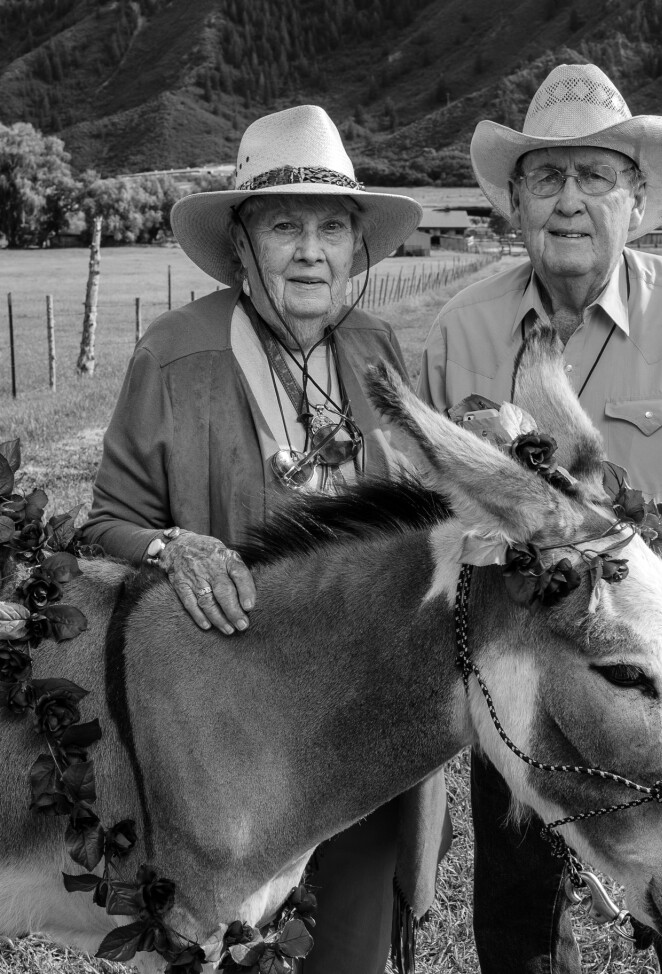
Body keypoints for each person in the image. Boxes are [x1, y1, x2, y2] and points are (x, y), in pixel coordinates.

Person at [418, 63, 662, 974]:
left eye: (596, 177)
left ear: (635, 199)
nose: (571, 201)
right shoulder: (461, 328)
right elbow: (429, 514)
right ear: (514, 203)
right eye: (546, 177)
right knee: (516, 927)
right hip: (525, 684)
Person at [81, 104, 450, 974]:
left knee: (351, 952)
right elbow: (102, 528)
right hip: (225, 748)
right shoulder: (177, 353)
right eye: (285, 226)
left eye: (332, 227)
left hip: (366, 734)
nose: (311, 250)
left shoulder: (377, 349)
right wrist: (175, 548)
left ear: (358, 247)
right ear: (242, 246)